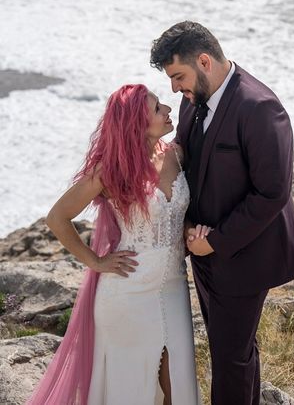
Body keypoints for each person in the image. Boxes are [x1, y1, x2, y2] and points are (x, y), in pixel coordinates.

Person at [150, 21, 294, 405]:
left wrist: (215, 242)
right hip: (204, 254)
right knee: (232, 349)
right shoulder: (192, 104)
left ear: (204, 61)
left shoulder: (260, 108)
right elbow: (185, 160)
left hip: (244, 254)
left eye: (179, 76)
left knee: (230, 356)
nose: (174, 89)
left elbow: (272, 194)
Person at [26, 84, 201, 405]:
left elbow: (182, 211)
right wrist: (96, 261)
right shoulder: (111, 170)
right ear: (136, 121)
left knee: (177, 388)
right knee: (130, 391)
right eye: (157, 108)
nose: (167, 110)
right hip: (126, 293)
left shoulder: (177, 153)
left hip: (174, 287)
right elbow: (57, 217)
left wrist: (189, 229)